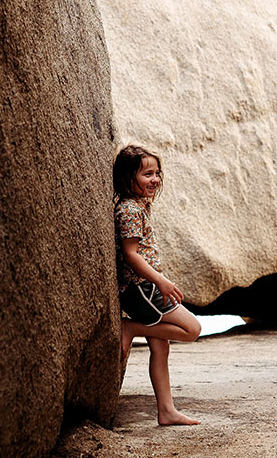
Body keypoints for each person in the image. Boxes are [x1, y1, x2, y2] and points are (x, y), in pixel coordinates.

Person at [113, 144, 202, 426]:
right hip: (142, 288)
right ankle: (132, 327)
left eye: (156, 173)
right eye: (146, 174)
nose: (154, 179)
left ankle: (166, 411)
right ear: (128, 178)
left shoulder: (138, 206)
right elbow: (131, 254)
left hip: (145, 286)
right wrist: (161, 281)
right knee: (192, 329)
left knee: (161, 348)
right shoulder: (128, 210)